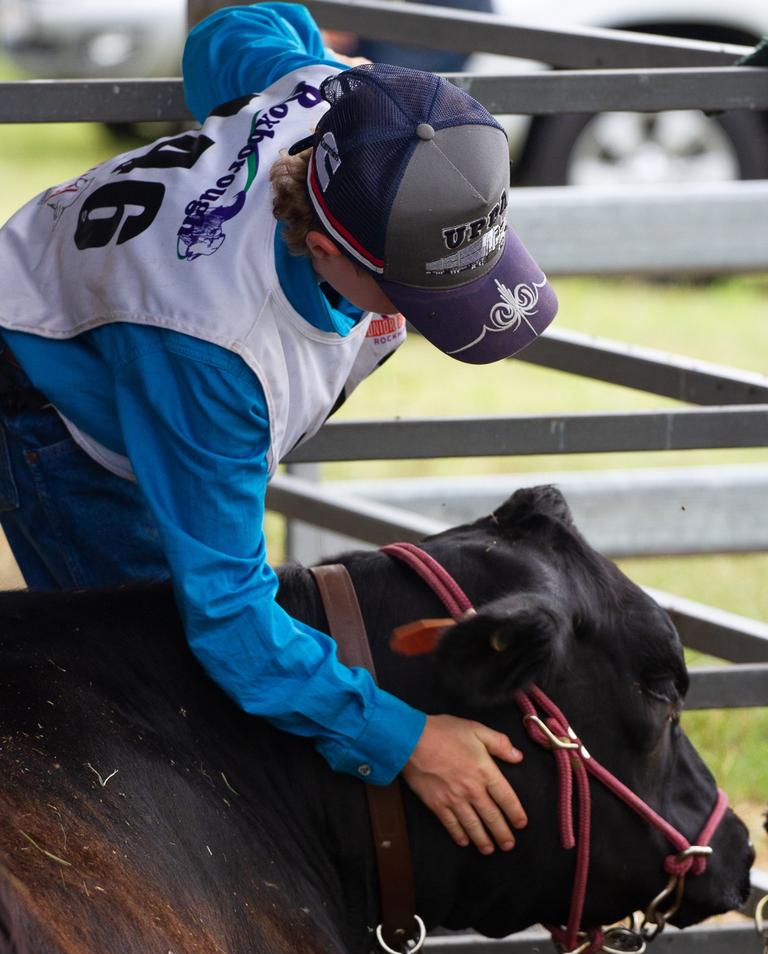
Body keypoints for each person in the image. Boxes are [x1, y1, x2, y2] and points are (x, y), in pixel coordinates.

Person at [0, 3, 557, 856]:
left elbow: (228, 35)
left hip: (140, 328)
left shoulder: (349, 109)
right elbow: (227, 616)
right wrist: (406, 738)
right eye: (414, 295)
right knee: (166, 710)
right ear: (328, 252)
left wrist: (304, 55)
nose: (427, 319)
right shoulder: (216, 352)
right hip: (57, 411)